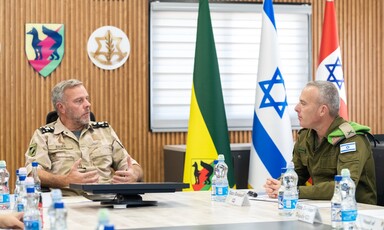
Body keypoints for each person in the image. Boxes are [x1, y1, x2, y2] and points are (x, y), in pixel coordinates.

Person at [264, 81, 377, 205]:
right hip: (320, 208)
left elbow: (344, 185)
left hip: (355, 212)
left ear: (322, 110)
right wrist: (279, 185)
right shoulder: (306, 136)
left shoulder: (351, 139)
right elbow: (298, 173)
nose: (296, 108)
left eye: (303, 103)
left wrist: (293, 190)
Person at [24, 79, 143, 194]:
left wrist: (134, 174)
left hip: (106, 202)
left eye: (87, 99)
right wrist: (64, 181)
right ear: (61, 107)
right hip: (66, 203)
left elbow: (131, 165)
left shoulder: (104, 131)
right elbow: (32, 172)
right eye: (79, 101)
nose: (88, 104)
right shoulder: (44, 135)